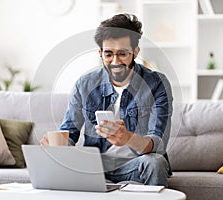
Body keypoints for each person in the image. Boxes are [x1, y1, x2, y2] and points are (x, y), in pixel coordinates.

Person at [41, 13, 173, 186]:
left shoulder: (157, 83)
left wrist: (128, 138)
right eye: (109, 54)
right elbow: (70, 132)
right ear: (100, 53)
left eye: (123, 54)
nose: (115, 61)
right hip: (94, 164)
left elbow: (158, 144)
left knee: (155, 163)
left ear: (135, 51)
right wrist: (55, 145)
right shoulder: (85, 84)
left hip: (136, 165)